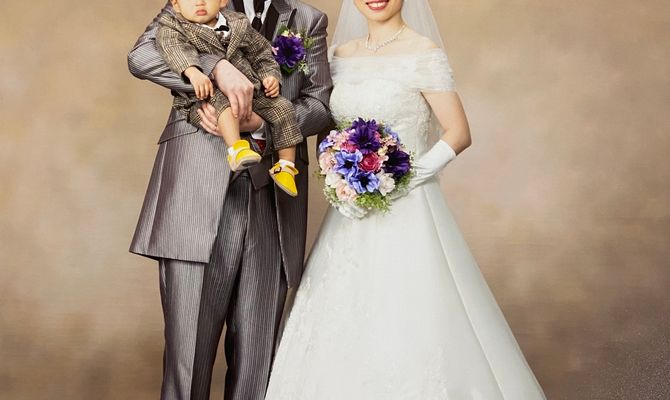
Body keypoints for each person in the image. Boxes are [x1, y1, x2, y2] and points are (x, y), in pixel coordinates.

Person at [264, 0, 547, 399]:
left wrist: (401, 178)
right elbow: (326, 127)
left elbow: (458, 133)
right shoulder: (338, 56)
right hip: (349, 210)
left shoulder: (422, 52)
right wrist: (338, 172)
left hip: (409, 207)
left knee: (410, 314)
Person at [127, 0, 332, 398]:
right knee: (188, 359)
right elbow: (142, 56)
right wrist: (214, 67)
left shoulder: (308, 20)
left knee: (257, 364)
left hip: (274, 201)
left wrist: (263, 121)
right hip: (195, 197)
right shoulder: (193, 4)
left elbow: (321, 105)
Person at [156, 0, 302, 195]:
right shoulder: (172, 26)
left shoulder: (237, 22)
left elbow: (261, 53)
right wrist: (193, 72)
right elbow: (174, 49)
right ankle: (236, 149)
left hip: (251, 91)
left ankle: (285, 166)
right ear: (175, 4)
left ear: (222, 1)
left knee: (283, 107)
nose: (199, 2)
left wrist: (270, 76)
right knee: (223, 105)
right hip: (207, 94)